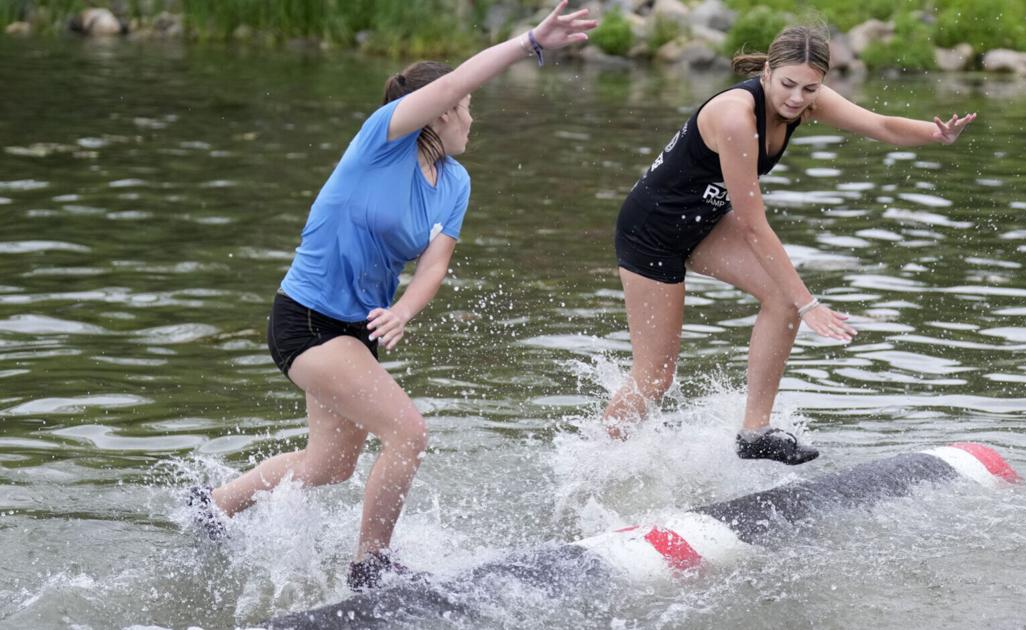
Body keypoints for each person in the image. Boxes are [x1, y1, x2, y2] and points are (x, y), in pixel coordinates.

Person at [186, 1, 596, 591]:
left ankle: (216, 505)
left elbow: (436, 264)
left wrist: (404, 309)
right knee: (408, 432)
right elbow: (460, 78)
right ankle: (369, 565)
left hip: (360, 330)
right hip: (306, 319)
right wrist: (529, 41)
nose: (472, 120)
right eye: (468, 110)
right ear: (442, 112)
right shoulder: (382, 139)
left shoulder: (455, 181)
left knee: (330, 465)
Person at [603, 25, 975, 463]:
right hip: (651, 232)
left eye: (809, 88)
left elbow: (879, 125)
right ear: (766, 72)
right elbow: (754, 225)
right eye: (788, 85)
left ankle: (754, 433)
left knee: (780, 298)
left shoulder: (807, 99)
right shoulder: (735, 116)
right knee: (655, 376)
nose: (797, 98)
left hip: (701, 222)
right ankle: (597, 462)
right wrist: (810, 304)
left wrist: (935, 135)